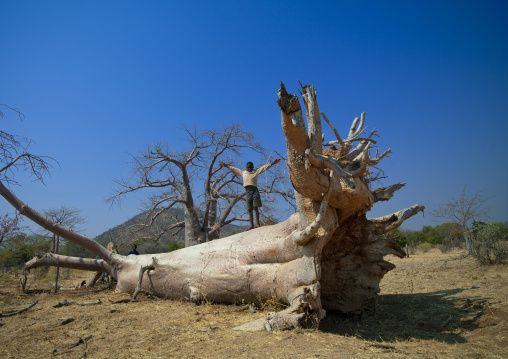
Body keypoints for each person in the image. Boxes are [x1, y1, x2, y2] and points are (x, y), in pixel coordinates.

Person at [220, 159, 281, 230]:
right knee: (249, 209)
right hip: (248, 192)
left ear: (252, 167)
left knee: (256, 207)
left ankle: (257, 224)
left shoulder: (256, 172)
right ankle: (251, 225)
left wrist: (273, 163)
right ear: (246, 167)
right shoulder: (243, 172)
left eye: (250, 167)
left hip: (255, 191)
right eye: (248, 167)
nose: (249, 168)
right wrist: (226, 165)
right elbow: (234, 169)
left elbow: (264, 168)